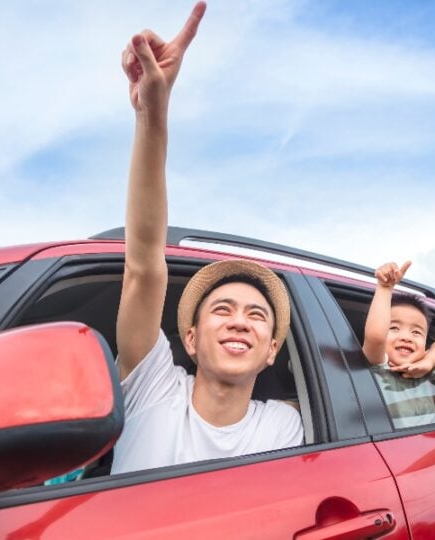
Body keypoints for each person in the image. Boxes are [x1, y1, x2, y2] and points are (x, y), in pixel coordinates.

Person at [110, 1, 303, 476]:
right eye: (223, 310)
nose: (241, 322)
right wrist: (152, 115)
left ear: (272, 350)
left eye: (258, 316)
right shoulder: (154, 386)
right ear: (190, 341)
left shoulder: (282, 427)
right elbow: (144, 265)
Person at [362, 261, 435, 427]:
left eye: (416, 332)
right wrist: (385, 289)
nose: (406, 337)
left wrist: (428, 362)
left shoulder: (424, 370)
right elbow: (376, 337)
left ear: (425, 344)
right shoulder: (380, 366)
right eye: (394, 328)